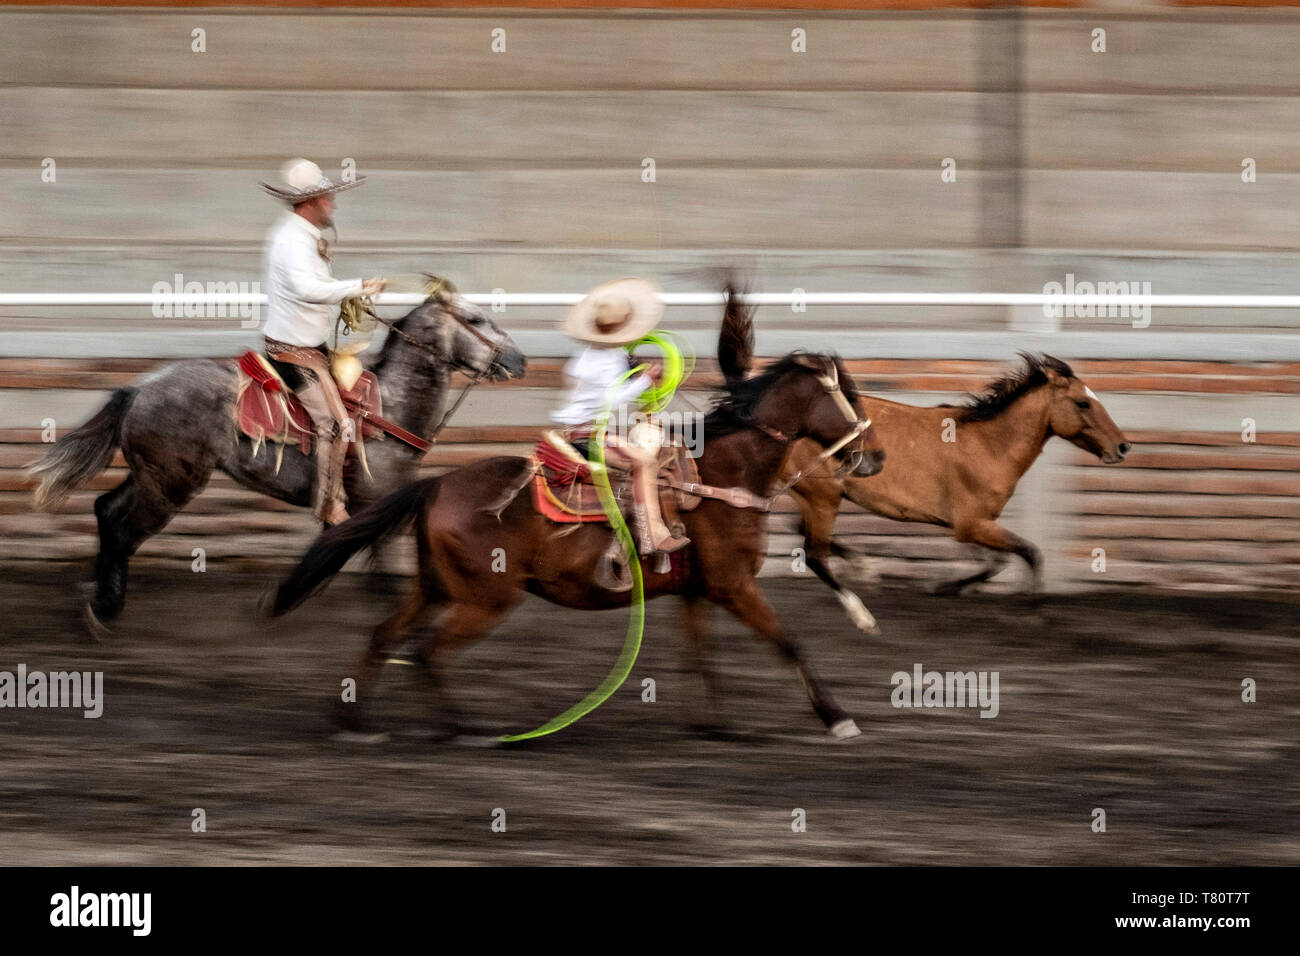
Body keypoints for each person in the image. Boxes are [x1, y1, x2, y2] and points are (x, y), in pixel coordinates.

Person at [259, 158, 386, 526]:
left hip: (310, 347)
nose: (333, 204)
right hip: (293, 352)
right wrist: (357, 287)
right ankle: (329, 504)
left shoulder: (301, 235)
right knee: (333, 423)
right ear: (311, 202)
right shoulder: (291, 240)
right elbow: (307, 289)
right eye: (328, 198)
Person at [552, 277, 689, 556]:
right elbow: (612, 400)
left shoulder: (584, 355)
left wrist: (632, 373)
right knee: (643, 461)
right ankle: (652, 534)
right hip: (587, 437)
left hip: (570, 431)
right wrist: (646, 380)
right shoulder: (611, 358)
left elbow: (600, 389)